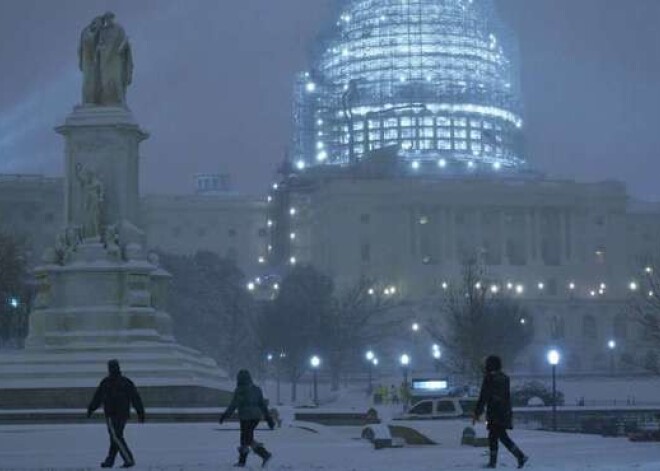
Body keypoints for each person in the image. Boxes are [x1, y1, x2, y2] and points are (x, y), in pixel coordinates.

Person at [87, 359, 145, 468]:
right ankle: (110, 460)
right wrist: (140, 412)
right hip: (122, 414)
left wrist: (91, 409)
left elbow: (97, 398)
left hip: (111, 414)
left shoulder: (106, 382)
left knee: (116, 437)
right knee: (115, 437)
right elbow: (135, 398)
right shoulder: (125, 382)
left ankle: (128, 459)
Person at [474, 355, 528, 469]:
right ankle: (516, 457)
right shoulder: (504, 378)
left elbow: (484, 396)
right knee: (498, 436)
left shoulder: (489, 378)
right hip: (504, 412)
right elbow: (505, 397)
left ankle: (518, 457)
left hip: (494, 413)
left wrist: (477, 412)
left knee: (497, 437)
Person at [219, 370, 275, 468]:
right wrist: (268, 419)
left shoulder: (240, 390)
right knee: (245, 438)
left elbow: (233, 405)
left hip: (245, 417)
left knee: (247, 438)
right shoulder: (256, 389)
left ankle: (264, 454)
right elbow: (262, 405)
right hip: (256, 417)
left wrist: (225, 415)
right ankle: (242, 461)